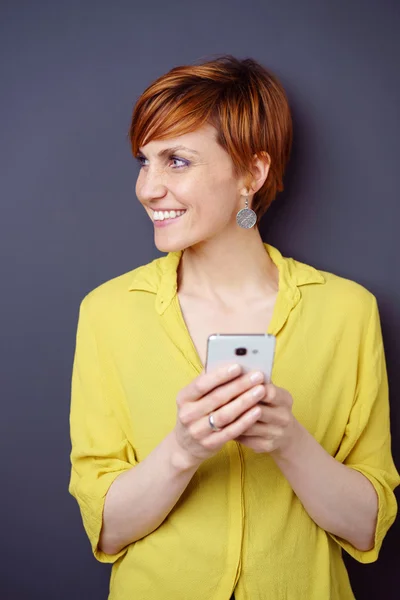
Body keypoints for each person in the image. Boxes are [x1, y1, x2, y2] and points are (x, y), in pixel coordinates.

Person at [68, 54, 400, 600]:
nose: (148, 188)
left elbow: (366, 528)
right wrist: (183, 450)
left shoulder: (348, 310)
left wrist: (288, 440)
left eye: (176, 160)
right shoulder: (107, 311)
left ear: (252, 172)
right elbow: (106, 528)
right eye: (143, 161)